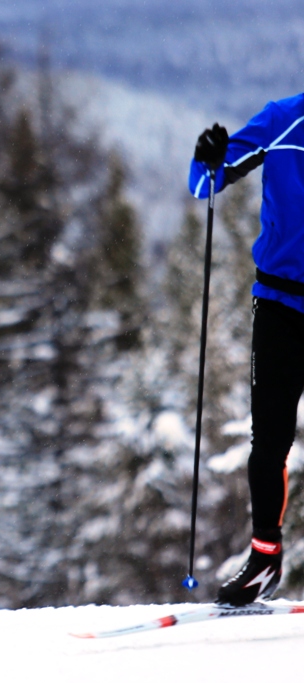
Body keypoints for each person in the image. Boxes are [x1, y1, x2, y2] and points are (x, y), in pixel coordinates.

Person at [189, 95, 304, 606]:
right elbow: (205, 184)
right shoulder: (283, 119)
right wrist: (207, 155)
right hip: (280, 303)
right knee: (270, 439)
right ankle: (264, 560)